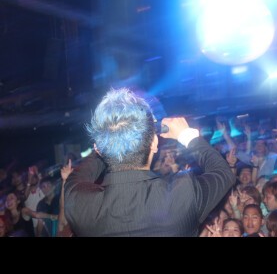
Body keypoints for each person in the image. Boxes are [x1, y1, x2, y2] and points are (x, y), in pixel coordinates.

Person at [64, 88, 236, 236]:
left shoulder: (79, 204)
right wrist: (186, 135)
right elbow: (223, 173)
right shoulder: (183, 195)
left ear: (99, 149)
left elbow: (80, 173)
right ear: (154, 143)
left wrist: (110, 142)